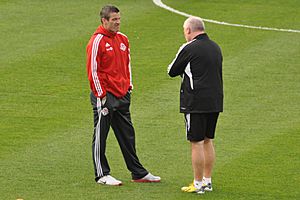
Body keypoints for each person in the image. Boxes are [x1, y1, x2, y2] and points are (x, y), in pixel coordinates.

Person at [86, 5, 160, 186]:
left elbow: (127, 64)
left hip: (122, 94)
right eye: (114, 20)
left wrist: (129, 86)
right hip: (105, 96)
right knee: (100, 134)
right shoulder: (97, 41)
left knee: (128, 135)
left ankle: (138, 173)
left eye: (119, 19)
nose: (118, 22)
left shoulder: (123, 39)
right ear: (104, 21)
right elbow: (93, 70)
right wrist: (101, 95)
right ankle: (102, 174)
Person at [167, 16, 223, 194]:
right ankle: (208, 180)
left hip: (195, 102)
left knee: (196, 142)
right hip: (215, 101)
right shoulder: (216, 47)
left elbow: (172, 70)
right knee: (208, 140)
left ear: (189, 30)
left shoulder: (189, 48)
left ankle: (198, 184)